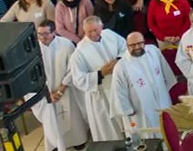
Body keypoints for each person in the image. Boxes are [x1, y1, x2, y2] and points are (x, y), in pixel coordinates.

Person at [33, 20, 88, 151]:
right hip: (46, 92)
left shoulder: (66, 45)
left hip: (67, 88)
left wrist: (62, 88)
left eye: (46, 34)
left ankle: (77, 140)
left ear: (54, 32)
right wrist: (47, 92)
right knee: (52, 119)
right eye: (40, 34)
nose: (42, 37)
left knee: (72, 116)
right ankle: (55, 143)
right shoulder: (35, 49)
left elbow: (73, 68)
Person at [110, 31, 176, 139]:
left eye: (140, 43)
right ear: (127, 46)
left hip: (161, 100)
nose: (137, 47)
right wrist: (127, 109)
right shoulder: (121, 66)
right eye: (133, 45)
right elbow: (118, 91)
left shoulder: (153, 51)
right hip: (140, 110)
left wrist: (168, 87)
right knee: (147, 135)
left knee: (166, 129)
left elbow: (165, 70)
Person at [69, 16, 126, 141]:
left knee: (128, 126)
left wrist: (118, 60)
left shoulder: (110, 35)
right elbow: (78, 80)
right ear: (84, 31)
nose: (94, 34)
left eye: (96, 30)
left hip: (119, 87)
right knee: (111, 133)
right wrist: (100, 74)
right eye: (89, 32)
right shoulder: (79, 52)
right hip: (101, 96)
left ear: (101, 27)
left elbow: (124, 47)